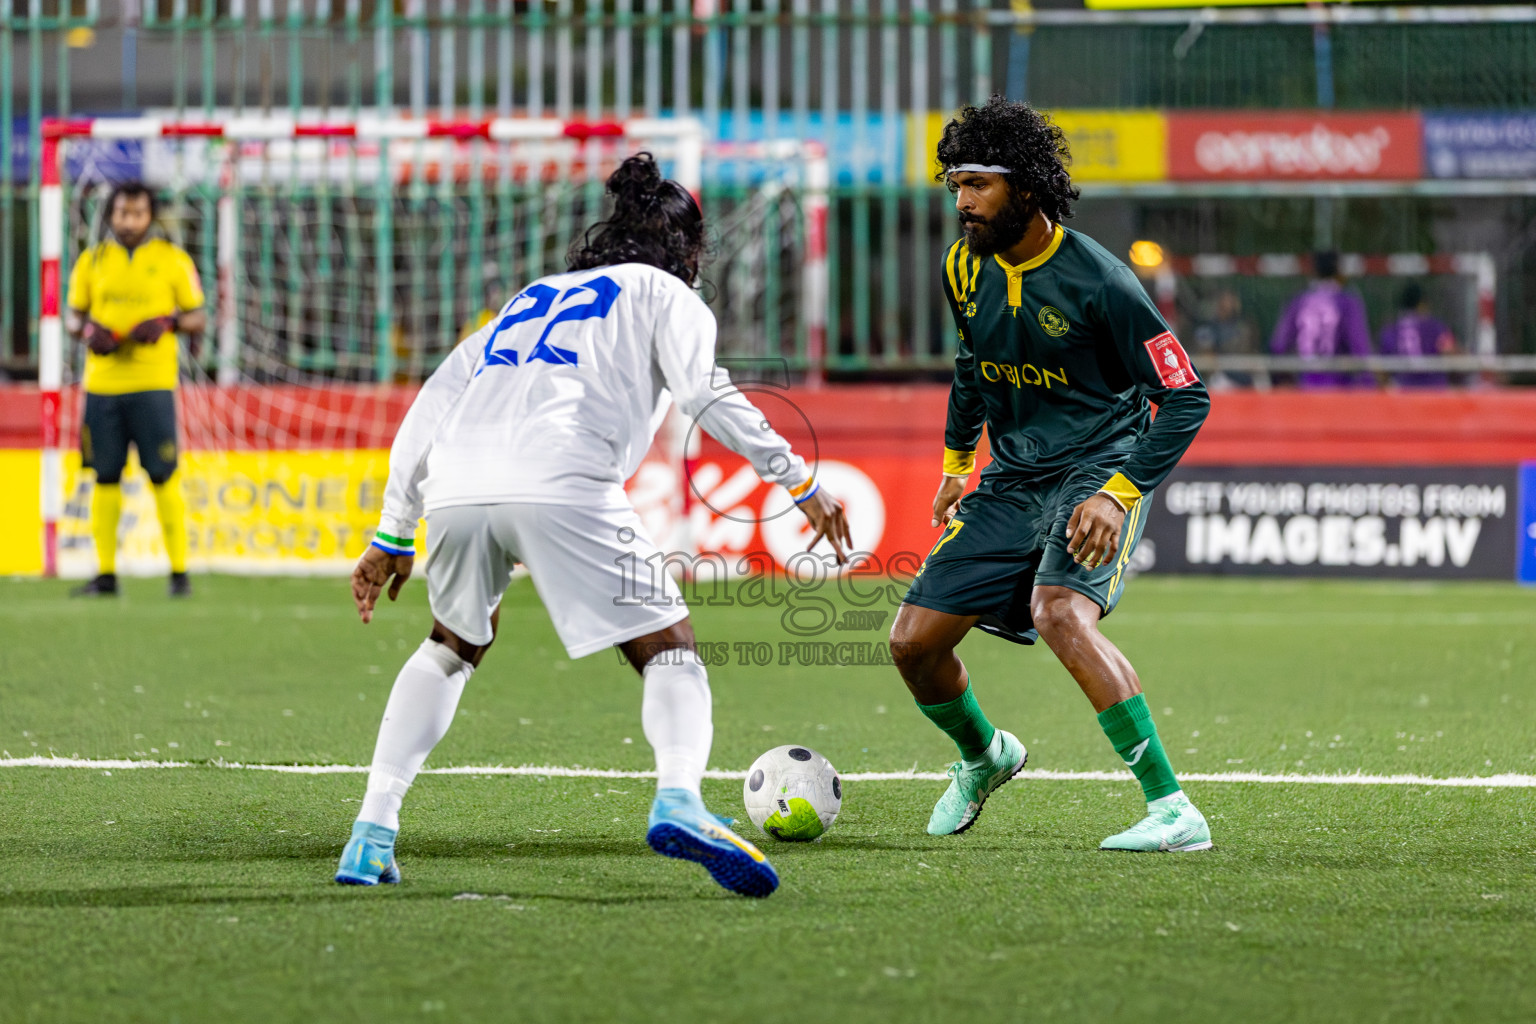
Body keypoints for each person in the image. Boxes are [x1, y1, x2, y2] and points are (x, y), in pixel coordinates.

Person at [335, 154, 852, 898]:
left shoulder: (528, 298)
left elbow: (429, 407)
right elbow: (706, 396)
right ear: (687, 251)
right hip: (561, 477)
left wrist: (392, 533)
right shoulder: (667, 295)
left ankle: (370, 832)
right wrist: (797, 480)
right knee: (669, 650)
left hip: (455, 484)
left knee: (451, 646)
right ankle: (679, 796)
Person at [888, 97, 1214, 853]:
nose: (962, 201)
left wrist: (1117, 491)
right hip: (1012, 477)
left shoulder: (1102, 281)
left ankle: (1172, 810)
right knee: (913, 646)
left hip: (1097, 467)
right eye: (955, 184)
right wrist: (955, 465)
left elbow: (1186, 396)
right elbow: (972, 366)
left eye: (979, 184)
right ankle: (985, 756)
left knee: (1060, 611)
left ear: (1026, 190)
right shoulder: (961, 264)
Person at [65, 182, 206, 597]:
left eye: (138, 213)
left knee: (163, 475)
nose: (129, 221)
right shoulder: (93, 261)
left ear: (150, 216)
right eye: (122, 213)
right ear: (110, 215)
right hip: (103, 385)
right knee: (104, 476)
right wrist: (88, 330)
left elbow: (198, 316)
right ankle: (105, 575)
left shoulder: (172, 260)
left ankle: (179, 573)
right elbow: (72, 318)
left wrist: (169, 324)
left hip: (153, 384)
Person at [1269, 251, 1373, 389]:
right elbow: (1360, 347)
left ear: (1313, 271)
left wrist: (1281, 380)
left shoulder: (1298, 301)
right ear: (1339, 271)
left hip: (1305, 386)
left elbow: (1278, 346)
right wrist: (1368, 383)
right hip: (1339, 388)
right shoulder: (1347, 301)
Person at [1377, 282, 1457, 388]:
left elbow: (1382, 370)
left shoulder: (1390, 330)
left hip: (1403, 393)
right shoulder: (1436, 327)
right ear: (1422, 303)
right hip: (1434, 391)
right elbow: (1451, 354)